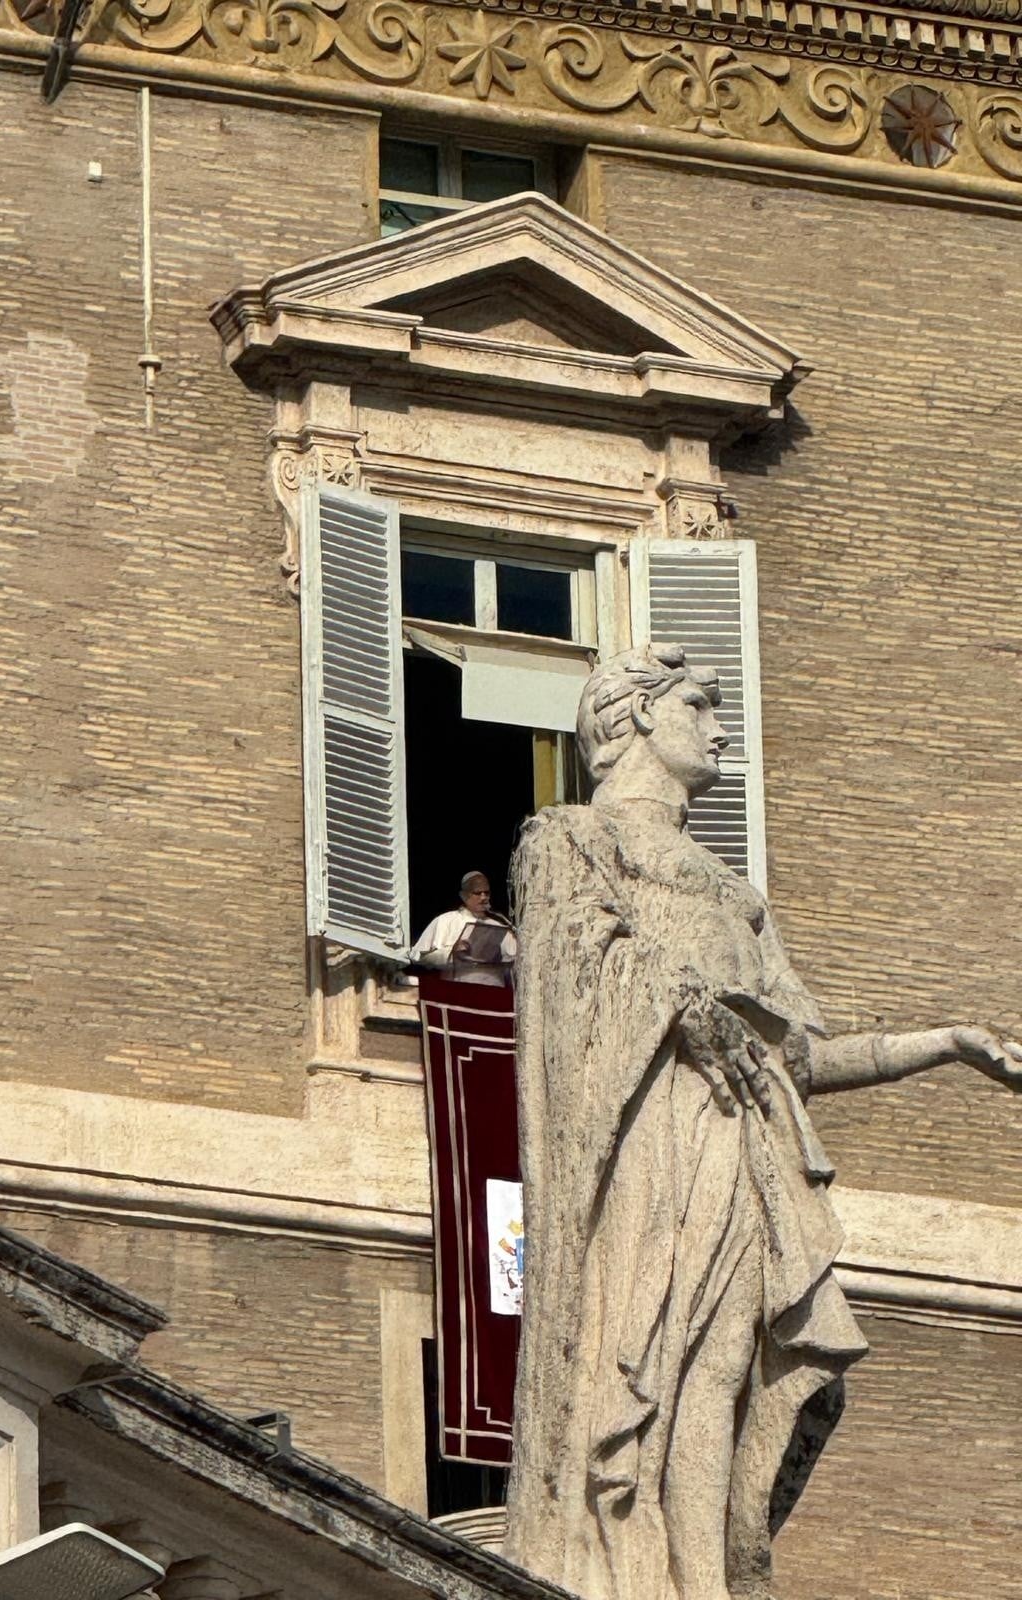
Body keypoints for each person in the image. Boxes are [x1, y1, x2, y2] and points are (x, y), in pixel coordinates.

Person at [504, 643, 1021, 1600]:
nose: (721, 727)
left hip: (747, 1140)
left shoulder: (740, 898)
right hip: (646, 1133)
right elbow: (573, 985)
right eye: (699, 704)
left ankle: (703, 1575)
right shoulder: (571, 840)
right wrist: (685, 1008)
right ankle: (622, 1558)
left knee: (723, 1367)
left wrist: (944, 1042)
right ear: (635, 716)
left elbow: (802, 1057)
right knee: (644, 1350)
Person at [409, 871, 517, 986]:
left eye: (486, 893)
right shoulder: (445, 921)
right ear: (464, 895)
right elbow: (418, 956)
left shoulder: (499, 927)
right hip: (458, 993)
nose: (483, 897)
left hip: (493, 993)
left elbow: (514, 964)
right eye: (477, 893)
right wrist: (451, 954)